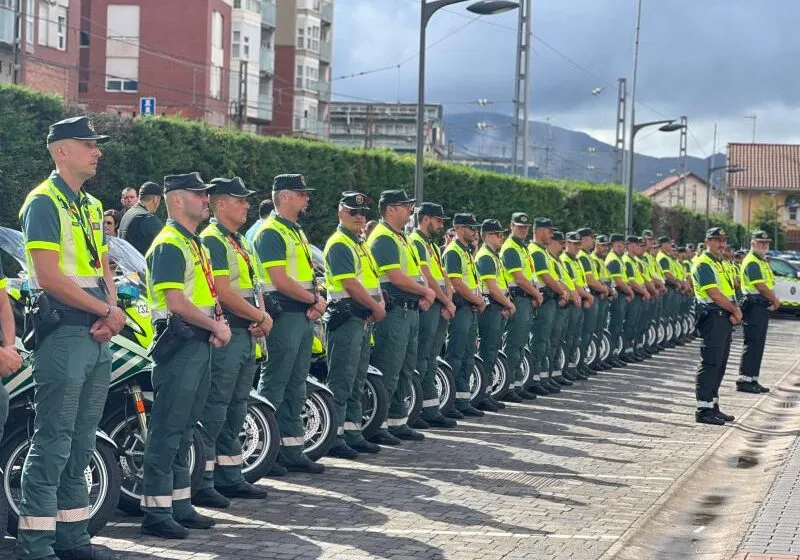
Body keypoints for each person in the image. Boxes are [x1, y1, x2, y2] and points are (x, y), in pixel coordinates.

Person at [16, 116, 125, 560]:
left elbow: (103, 270)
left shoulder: (93, 206)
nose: (97, 151)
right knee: (54, 440)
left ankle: (73, 537)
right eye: (87, 144)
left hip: (96, 335)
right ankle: (36, 545)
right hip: (63, 335)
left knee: (83, 440)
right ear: (60, 151)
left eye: (96, 145)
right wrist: (106, 311)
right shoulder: (43, 202)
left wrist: (113, 312)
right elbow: (48, 276)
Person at [139, 172, 232, 539]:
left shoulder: (192, 242)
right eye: (199, 194)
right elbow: (176, 303)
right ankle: (156, 512)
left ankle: (178, 504)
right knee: (168, 429)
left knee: (186, 427)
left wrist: (216, 321)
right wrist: (214, 327)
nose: (206, 200)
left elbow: (204, 295)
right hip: (179, 347)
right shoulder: (169, 243)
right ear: (177, 200)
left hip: (198, 344)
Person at [193, 177, 272, 509]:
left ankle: (230, 474)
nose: (246, 205)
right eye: (239, 200)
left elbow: (253, 285)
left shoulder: (238, 239)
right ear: (219, 203)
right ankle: (205, 480)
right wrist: (259, 316)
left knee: (237, 406)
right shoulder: (212, 239)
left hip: (245, 332)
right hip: (228, 334)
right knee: (216, 407)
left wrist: (260, 314)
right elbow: (223, 292)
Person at [254, 174, 326, 473]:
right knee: (275, 382)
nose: (306, 199)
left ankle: (292, 447)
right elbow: (279, 280)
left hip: (302, 315)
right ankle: (266, 452)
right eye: (301, 194)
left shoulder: (294, 230)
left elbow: (305, 274)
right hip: (285, 315)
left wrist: (315, 299)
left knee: (297, 384)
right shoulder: (271, 231)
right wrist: (313, 300)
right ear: (283, 196)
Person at [321, 192, 386, 459]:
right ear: (340, 212)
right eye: (353, 212)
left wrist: (376, 304)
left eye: (363, 213)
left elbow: (370, 281)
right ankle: (334, 438)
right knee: (342, 380)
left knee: (357, 380)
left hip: (361, 319)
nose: (359, 217)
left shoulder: (358, 243)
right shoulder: (339, 243)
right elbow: (349, 283)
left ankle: (352, 432)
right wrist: (376, 306)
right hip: (347, 318)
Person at [368, 189, 435, 444]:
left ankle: (398, 420)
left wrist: (422, 293)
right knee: (389, 368)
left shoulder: (400, 237)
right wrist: (425, 291)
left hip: (410, 310)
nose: (410, 211)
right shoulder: (384, 237)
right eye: (406, 206)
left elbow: (413, 273)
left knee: (406, 368)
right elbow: (395, 277)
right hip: (396, 311)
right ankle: (379, 424)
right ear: (391, 209)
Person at [408, 203, 459, 427]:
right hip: (430, 307)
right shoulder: (417, 242)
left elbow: (443, 275)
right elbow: (426, 276)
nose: (441, 225)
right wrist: (447, 300)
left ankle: (430, 407)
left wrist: (449, 299)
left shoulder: (431, 245)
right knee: (421, 358)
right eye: (438, 220)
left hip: (440, 305)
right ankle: (417, 409)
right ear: (426, 219)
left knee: (431, 359)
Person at [692, 227, 742, 425]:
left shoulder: (720, 263)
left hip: (724, 317)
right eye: (716, 240)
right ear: (707, 242)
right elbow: (714, 293)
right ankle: (703, 410)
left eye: (723, 240)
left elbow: (730, 289)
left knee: (719, 364)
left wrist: (734, 309)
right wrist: (735, 310)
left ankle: (713, 405)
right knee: (711, 362)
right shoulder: (704, 264)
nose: (721, 244)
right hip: (712, 317)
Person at [443, 213, 487, 417]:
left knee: (468, 356)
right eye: (471, 228)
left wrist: (477, 300)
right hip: (461, 309)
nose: (475, 232)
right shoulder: (453, 251)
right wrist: (478, 300)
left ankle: (462, 399)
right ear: (459, 228)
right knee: (456, 355)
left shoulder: (466, 251)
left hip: (470, 310)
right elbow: (457, 282)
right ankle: (449, 401)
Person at [500, 212, 542, 401]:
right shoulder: (510, 248)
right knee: (513, 344)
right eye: (519, 226)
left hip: (526, 299)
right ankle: (508, 386)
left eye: (525, 227)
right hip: (518, 298)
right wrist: (536, 293)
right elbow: (518, 278)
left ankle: (516, 383)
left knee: (520, 343)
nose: (523, 230)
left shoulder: (522, 248)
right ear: (511, 226)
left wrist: (533, 294)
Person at [475, 219, 514, 411]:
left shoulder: (493, 255)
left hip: (496, 308)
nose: (502, 238)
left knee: (491, 352)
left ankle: (487, 392)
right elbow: (491, 287)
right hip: (490, 309)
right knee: (487, 352)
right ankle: (482, 393)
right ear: (489, 235)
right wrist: (508, 303)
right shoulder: (485, 256)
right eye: (499, 234)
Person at [528, 218, 570, 389]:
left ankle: (544, 377)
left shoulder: (542, 251)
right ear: (538, 231)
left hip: (551, 301)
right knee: (540, 341)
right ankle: (535, 379)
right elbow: (546, 277)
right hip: (544, 301)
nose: (551, 235)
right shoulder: (536, 251)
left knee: (547, 341)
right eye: (549, 231)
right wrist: (562, 292)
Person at [737, 231, 780, 394]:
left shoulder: (760, 261)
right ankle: (744, 380)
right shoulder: (752, 261)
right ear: (752, 243)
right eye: (760, 243)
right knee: (753, 342)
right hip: (754, 305)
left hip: (761, 306)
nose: (764, 245)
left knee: (758, 344)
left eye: (766, 243)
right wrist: (775, 300)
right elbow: (760, 286)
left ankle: (752, 378)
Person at [560, 232, 594, 380]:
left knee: (575, 337)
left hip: (579, 301)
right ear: (567, 243)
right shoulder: (565, 260)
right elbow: (572, 283)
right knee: (568, 337)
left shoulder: (576, 260)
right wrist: (586, 295)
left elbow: (582, 283)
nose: (576, 247)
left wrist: (585, 295)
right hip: (573, 302)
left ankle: (573, 367)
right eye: (573, 243)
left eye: (578, 244)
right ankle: (566, 368)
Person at [576, 228, 609, 374]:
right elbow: (590, 281)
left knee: (590, 332)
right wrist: (605, 290)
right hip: (589, 297)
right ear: (583, 239)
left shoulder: (586, 256)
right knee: (585, 333)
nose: (593, 241)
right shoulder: (583, 256)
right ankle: (580, 364)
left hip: (594, 296)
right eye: (591, 238)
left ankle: (585, 362)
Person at [546, 231, 576, 381]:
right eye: (560, 242)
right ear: (551, 242)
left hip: (564, 303)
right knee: (550, 341)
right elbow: (554, 281)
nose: (563, 246)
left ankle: (555, 373)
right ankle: (548, 375)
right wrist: (566, 294)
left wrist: (571, 294)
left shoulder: (558, 260)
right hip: (556, 302)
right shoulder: (550, 259)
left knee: (558, 341)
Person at [605, 234, 633, 368]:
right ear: (612, 246)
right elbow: (618, 281)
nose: (622, 248)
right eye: (618, 245)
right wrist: (630, 291)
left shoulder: (618, 259)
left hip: (621, 295)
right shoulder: (613, 260)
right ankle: (610, 355)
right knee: (614, 326)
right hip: (617, 295)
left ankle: (614, 354)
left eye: (623, 245)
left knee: (617, 326)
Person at [621, 236, 650, 362]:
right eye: (636, 245)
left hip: (640, 295)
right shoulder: (627, 260)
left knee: (637, 324)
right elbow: (632, 281)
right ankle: (626, 352)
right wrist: (644, 291)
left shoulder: (635, 261)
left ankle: (633, 349)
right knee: (630, 324)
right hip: (634, 295)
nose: (638, 247)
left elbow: (641, 278)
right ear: (629, 246)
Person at [118, 181, 164, 256]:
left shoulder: (128, 214)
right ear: (155, 199)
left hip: (127, 265)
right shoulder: (147, 218)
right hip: (140, 266)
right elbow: (167, 243)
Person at [590, 234, 615, 369]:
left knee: (599, 331)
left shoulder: (601, 261)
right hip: (597, 296)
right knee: (593, 331)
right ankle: (592, 361)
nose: (605, 248)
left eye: (606, 246)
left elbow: (603, 280)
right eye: (602, 245)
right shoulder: (593, 259)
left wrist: (609, 291)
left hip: (603, 297)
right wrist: (606, 291)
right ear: (596, 245)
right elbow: (593, 281)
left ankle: (597, 359)